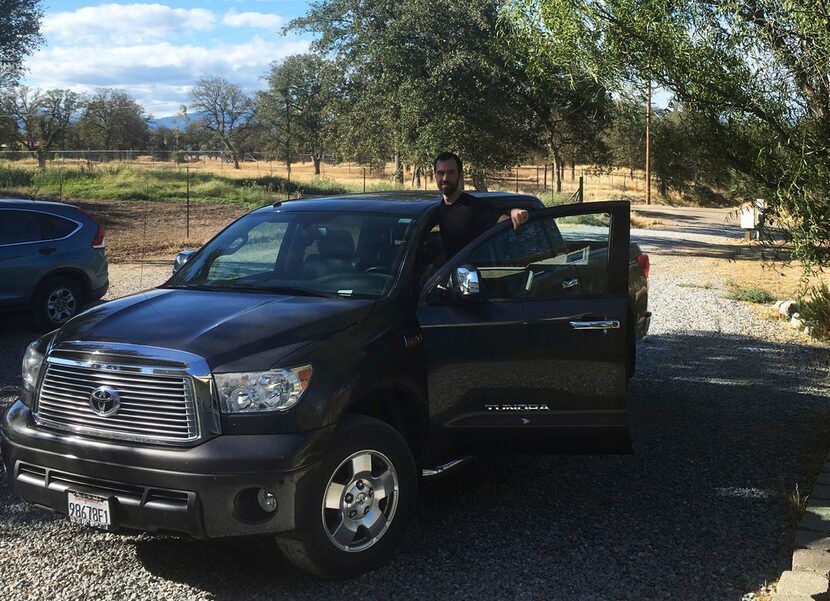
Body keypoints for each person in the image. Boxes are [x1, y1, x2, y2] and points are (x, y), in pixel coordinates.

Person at [433, 151, 529, 258]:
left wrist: (513, 212)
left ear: (460, 175)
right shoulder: (437, 210)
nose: (445, 178)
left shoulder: (474, 207)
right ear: (435, 177)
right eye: (440, 173)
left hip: (474, 272)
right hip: (447, 272)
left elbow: (504, 220)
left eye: (451, 173)